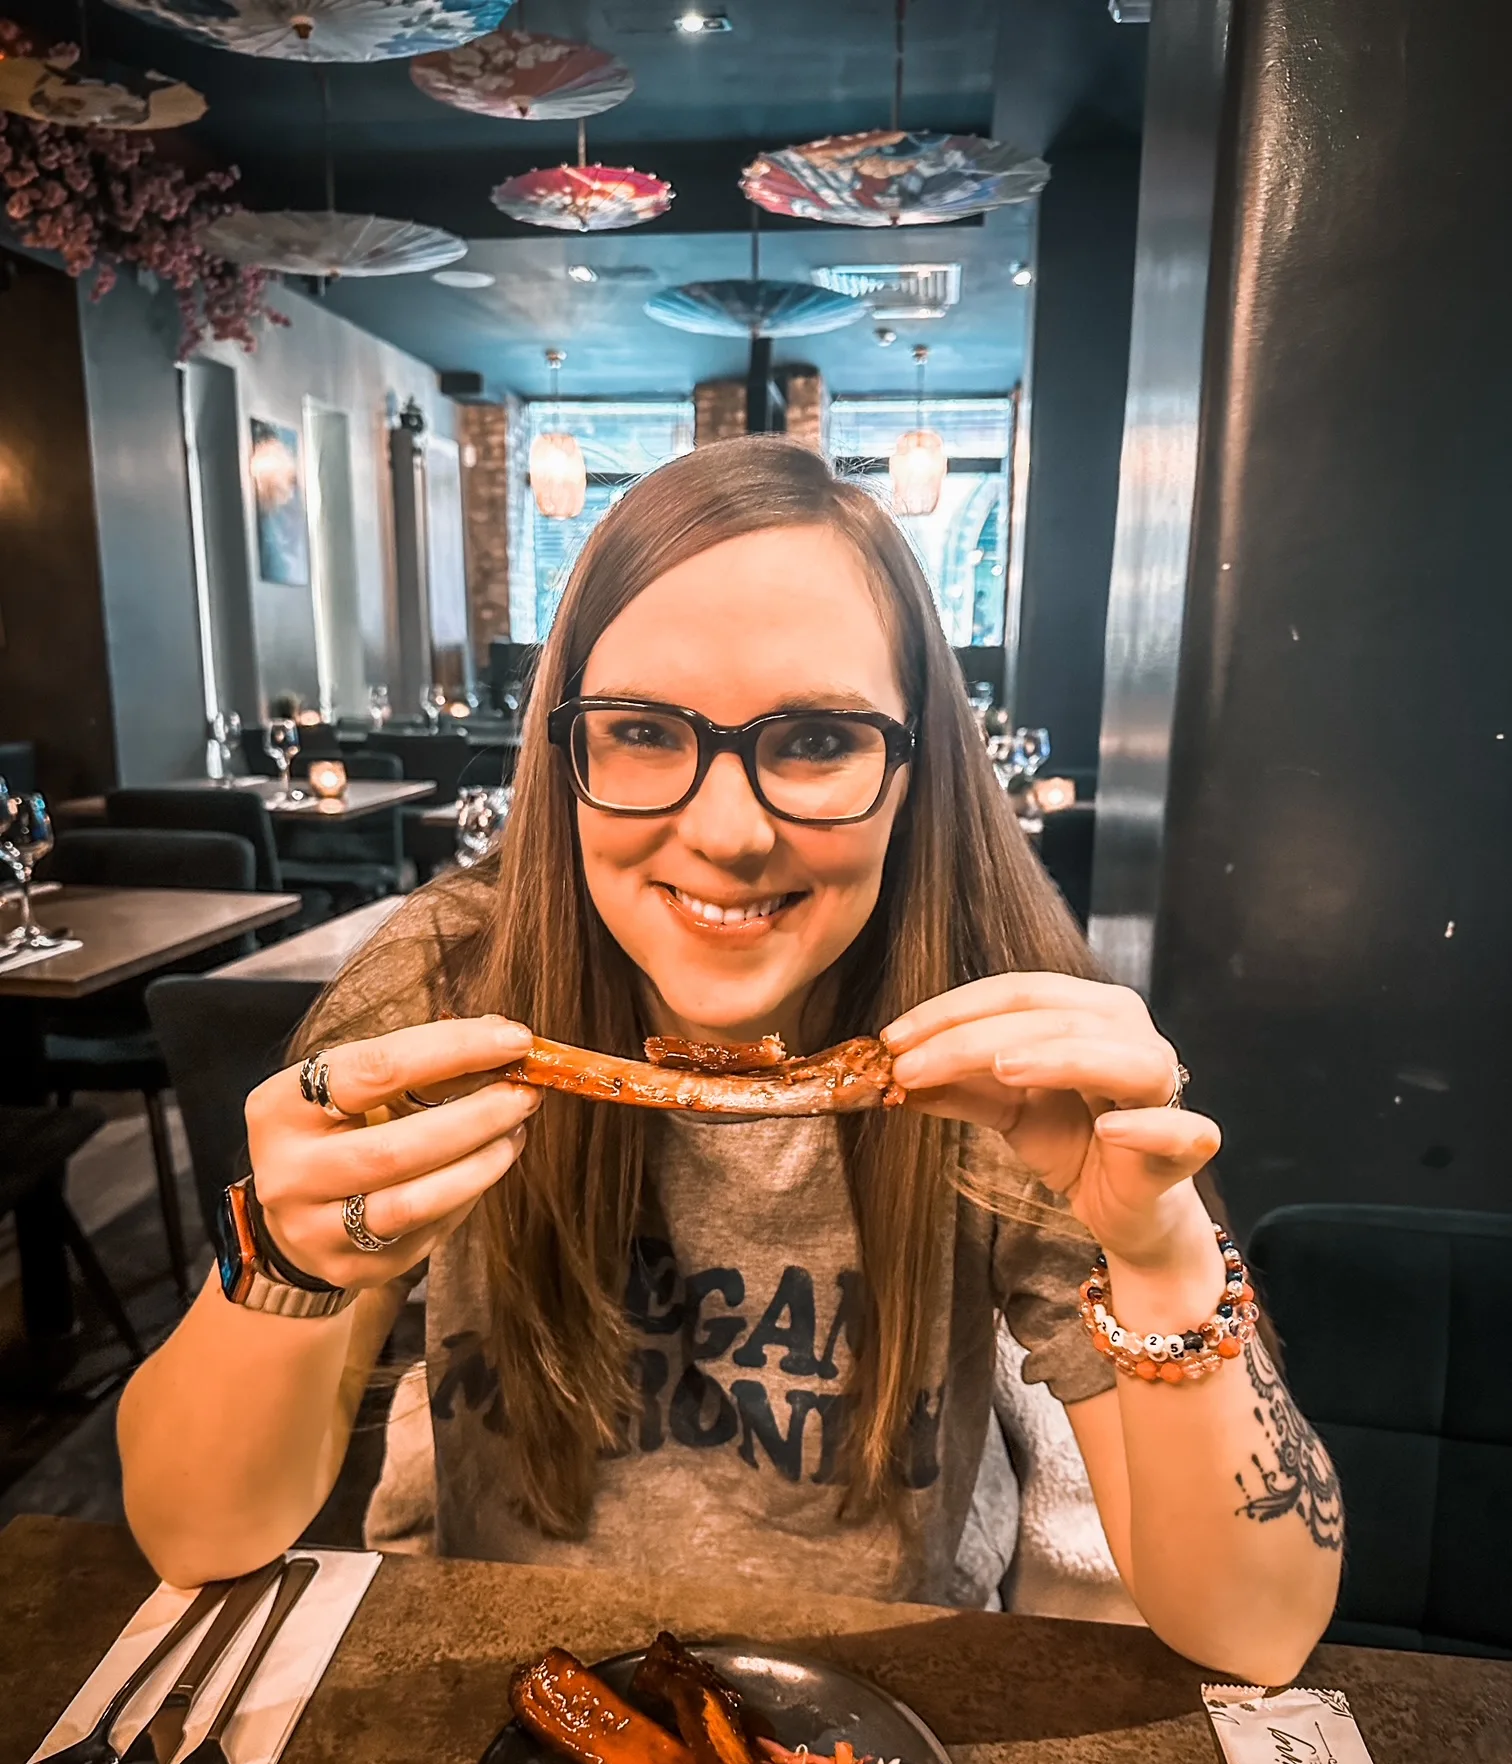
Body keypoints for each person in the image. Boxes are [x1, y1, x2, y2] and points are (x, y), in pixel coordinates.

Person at [118, 438, 1341, 1682]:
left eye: (815, 740)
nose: (727, 831)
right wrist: (280, 1261)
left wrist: (1163, 1252)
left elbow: (1254, 1627)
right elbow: (196, 1529)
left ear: (913, 770)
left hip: (893, 1718)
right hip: (497, 1699)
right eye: (644, 730)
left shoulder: (1005, 1058)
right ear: (562, 753)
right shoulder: (444, 996)